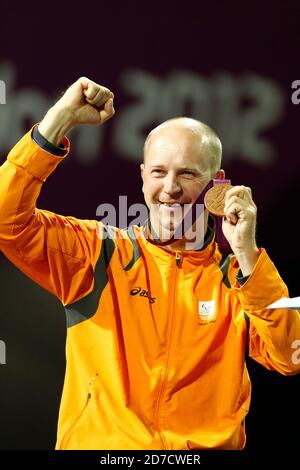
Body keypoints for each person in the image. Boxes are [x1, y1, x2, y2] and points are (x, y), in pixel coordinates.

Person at [0, 77, 299, 450]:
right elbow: (5, 218)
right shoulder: (98, 253)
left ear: (218, 186)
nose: (170, 187)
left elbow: (289, 355)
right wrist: (58, 120)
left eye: (188, 173)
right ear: (143, 178)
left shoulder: (238, 279)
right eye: (159, 172)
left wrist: (248, 254)